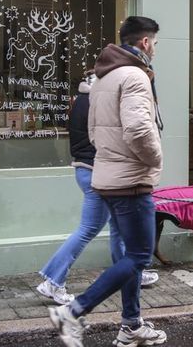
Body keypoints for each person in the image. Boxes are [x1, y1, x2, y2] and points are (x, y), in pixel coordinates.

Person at [49, 16, 166, 347]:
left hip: (108, 176)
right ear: (144, 42)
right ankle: (72, 310)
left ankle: (131, 325)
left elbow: (92, 133)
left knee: (128, 255)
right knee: (140, 256)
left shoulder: (103, 79)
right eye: (154, 43)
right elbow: (139, 130)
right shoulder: (135, 76)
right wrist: (155, 160)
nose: (155, 49)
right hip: (131, 180)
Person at [35, 73, 158, 306]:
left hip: (88, 170)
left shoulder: (81, 100)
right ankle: (52, 280)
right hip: (96, 173)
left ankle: (131, 274)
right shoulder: (95, 102)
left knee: (119, 226)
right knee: (89, 228)